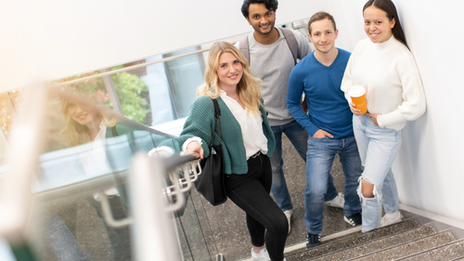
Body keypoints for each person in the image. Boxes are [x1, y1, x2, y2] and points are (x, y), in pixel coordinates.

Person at [237, 0, 344, 232]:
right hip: (265, 122)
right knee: (273, 169)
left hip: (297, 116)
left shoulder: (292, 39)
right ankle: (284, 208)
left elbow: (314, 63)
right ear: (248, 19)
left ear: (274, 12)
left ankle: (332, 195)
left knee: (315, 159)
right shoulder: (242, 48)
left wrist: (309, 102)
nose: (263, 20)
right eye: (256, 16)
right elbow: (239, 83)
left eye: (268, 13)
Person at [178, 41, 288, 261]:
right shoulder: (207, 102)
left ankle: (258, 253)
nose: (232, 69)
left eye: (235, 62)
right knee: (278, 223)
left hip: (261, 163)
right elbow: (192, 132)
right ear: (214, 71)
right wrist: (193, 144)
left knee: (256, 212)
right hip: (236, 174)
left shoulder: (249, 91)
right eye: (223, 66)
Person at [341, 0, 426, 233]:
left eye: (378, 22)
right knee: (378, 170)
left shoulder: (401, 56)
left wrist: (383, 119)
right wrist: (352, 102)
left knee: (367, 187)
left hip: (385, 131)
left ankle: (370, 232)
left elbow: (417, 105)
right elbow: (347, 82)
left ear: (392, 21)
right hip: (359, 122)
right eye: (367, 22)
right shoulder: (361, 47)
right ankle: (393, 213)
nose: (371, 28)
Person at [286, 12, 363, 249]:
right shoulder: (301, 70)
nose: (323, 38)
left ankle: (352, 210)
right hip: (321, 139)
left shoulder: (351, 60)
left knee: (353, 180)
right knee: (316, 190)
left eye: (328, 32)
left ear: (336, 33)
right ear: (309, 37)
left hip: (352, 135)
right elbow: (291, 104)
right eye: (317, 34)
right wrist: (312, 129)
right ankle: (314, 230)